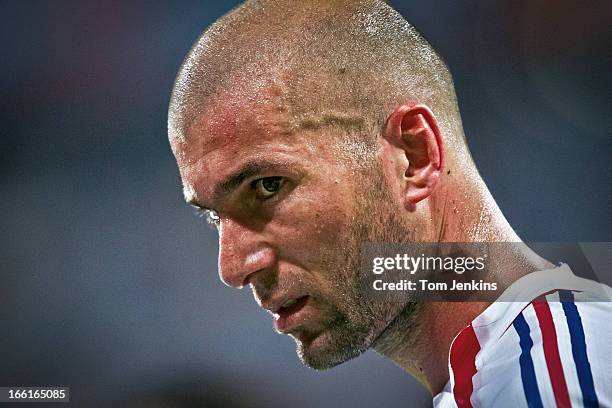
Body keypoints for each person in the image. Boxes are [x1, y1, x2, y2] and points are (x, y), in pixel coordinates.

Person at [167, 0, 612, 406]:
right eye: (213, 215)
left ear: (415, 157)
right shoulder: (525, 368)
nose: (232, 267)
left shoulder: (550, 374)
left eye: (267, 186)